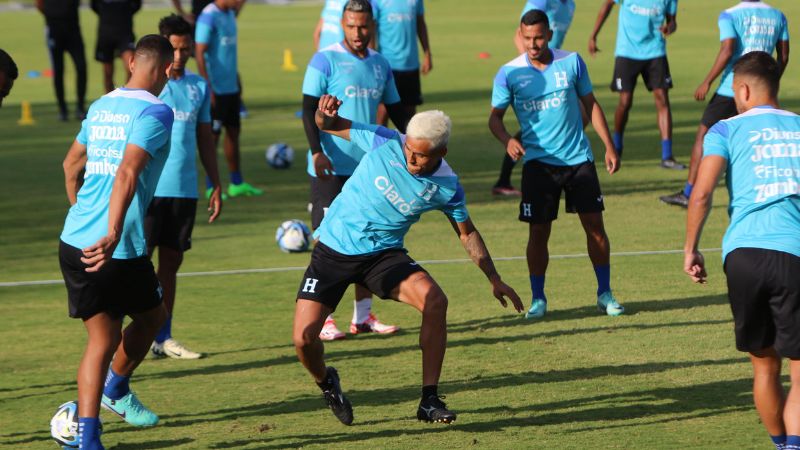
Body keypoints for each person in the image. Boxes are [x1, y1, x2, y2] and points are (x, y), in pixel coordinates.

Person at [294, 94, 523, 426]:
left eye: (422, 156)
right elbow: (329, 126)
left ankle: (429, 400)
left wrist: (494, 277)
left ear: (441, 153)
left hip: (383, 255)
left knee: (435, 300)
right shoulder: (384, 140)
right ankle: (327, 383)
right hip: (334, 249)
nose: (412, 160)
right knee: (303, 340)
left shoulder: (447, 186)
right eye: (409, 151)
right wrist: (322, 114)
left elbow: (467, 233)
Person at [58, 35, 175, 450]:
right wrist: (108, 232)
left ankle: (89, 440)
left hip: (73, 241)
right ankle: (117, 390)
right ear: (164, 69)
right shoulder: (158, 111)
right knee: (152, 318)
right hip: (116, 245)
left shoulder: (102, 104)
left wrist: (82, 216)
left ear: (130, 64)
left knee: (102, 340)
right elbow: (127, 172)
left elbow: (72, 164)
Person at [684, 51, 800, 450]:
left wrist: (691, 249)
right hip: (794, 254)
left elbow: (701, 194)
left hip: (743, 256)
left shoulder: (724, 129)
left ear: (744, 89)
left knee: (765, 368)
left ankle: (781, 445)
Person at [489, 10, 623, 320]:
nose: (532, 44)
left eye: (537, 37)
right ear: (521, 36)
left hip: (578, 160)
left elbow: (591, 103)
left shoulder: (572, 62)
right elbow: (494, 118)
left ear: (549, 34)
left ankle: (605, 293)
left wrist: (609, 145)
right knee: (538, 233)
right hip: (538, 166)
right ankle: (538, 298)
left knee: (596, 230)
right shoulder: (509, 73)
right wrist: (508, 139)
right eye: (527, 38)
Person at [303, 0, 409, 341]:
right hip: (330, 167)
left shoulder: (381, 64)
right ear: (342, 25)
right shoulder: (325, 59)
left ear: (372, 26)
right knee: (326, 241)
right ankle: (326, 318)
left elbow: (396, 110)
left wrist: (416, 145)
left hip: (368, 169)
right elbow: (308, 110)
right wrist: (317, 151)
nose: (358, 33)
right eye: (351, 26)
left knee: (368, 237)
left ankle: (362, 318)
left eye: (363, 27)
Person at [660, 0, 790, 208]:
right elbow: (783, 55)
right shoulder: (778, 16)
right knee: (761, 140)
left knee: (703, 136)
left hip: (731, 88)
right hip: (762, 92)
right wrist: (769, 82)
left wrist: (707, 81)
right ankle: (768, 191)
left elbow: (728, 49)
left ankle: (688, 193)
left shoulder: (730, 15)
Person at [146, 14, 223, 360]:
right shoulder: (146, 87)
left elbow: (205, 137)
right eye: (174, 50)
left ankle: (163, 336)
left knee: (171, 265)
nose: (179, 57)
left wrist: (215, 183)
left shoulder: (199, 87)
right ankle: (126, 335)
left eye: (185, 50)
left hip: (185, 189)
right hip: (148, 189)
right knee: (137, 264)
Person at [588, 0, 684, 169]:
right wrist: (593, 35)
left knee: (662, 99)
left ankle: (667, 156)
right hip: (627, 51)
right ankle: (616, 147)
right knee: (625, 101)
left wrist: (670, 28)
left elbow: (672, 21)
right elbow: (608, 5)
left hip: (655, 51)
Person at [495, 0, 577, 197]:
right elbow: (521, 33)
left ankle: (561, 162)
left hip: (555, 71)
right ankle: (505, 179)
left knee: (577, 115)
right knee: (534, 128)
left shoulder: (571, 6)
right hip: (538, 73)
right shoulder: (541, 1)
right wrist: (530, 69)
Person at [196, 0, 262, 198]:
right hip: (215, 89)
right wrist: (207, 86)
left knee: (233, 133)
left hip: (231, 87)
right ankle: (210, 186)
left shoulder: (230, 14)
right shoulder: (208, 16)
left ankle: (236, 183)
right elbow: (199, 52)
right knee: (212, 139)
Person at [373, 0, 432, 119]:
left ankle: (408, 138)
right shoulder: (377, 1)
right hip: (387, 65)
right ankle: (379, 138)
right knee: (383, 111)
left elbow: (420, 24)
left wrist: (427, 54)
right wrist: (371, 60)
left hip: (410, 65)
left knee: (410, 112)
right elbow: (370, 29)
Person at [36, 0, 88, 121]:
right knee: (58, 70)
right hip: (54, 31)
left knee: (81, 67)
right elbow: (39, 5)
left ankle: (80, 107)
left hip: (73, 32)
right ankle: (62, 109)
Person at [91, 0, 141, 93]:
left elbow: (137, 5)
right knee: (108, 74)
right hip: (106, 33)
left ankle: (126, 95)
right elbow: (94, 6)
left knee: (131, 68)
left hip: (125, 33)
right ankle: (110, 99)